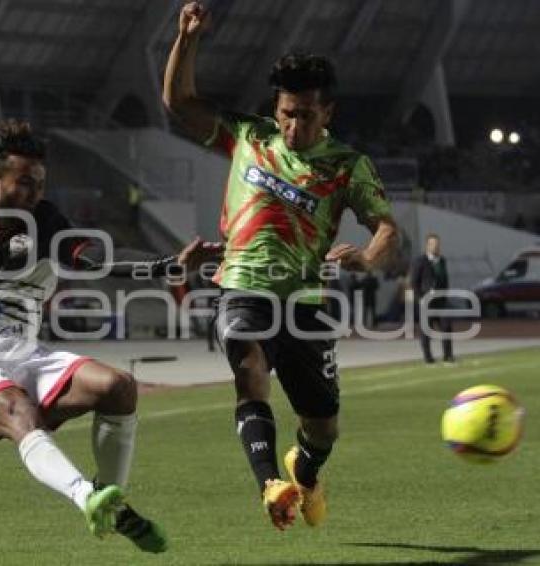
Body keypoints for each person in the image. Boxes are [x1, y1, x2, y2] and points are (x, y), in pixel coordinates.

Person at [0, 120, 219, 552]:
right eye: (24, 183)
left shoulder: (46, 222)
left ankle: (112, 504)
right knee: (18, 408)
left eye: (39, 184)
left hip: (26, 351)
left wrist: (165, 265)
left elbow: (94, 256)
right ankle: (85, 497)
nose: (35, 193)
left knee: (118, 388)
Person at [163, 3, 398, 530]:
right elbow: (179, 102)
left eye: (306, 115)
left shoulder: (347, 166)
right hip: (242, 286)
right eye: (287, 112)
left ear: (328, 113)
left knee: (323, 428)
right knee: (250, 375)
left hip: (306, 302)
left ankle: (305, 471)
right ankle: (271, 483)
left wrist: (367, 257)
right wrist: (187, 38)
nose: (293, 125)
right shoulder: (249, 136)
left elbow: (387, 228)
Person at [410, 234, 454, 364]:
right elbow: (414, 282)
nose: (436, 247)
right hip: (426, 302)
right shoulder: (420, 261)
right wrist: (421, 298)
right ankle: (428, 358)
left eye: (437, 244)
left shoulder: (442, 260)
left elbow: (445, 280)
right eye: (433, 244)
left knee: (446, 327)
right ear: (428, 246)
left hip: (441, 301)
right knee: (426, 330)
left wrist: (445, 295)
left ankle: (448, 356)